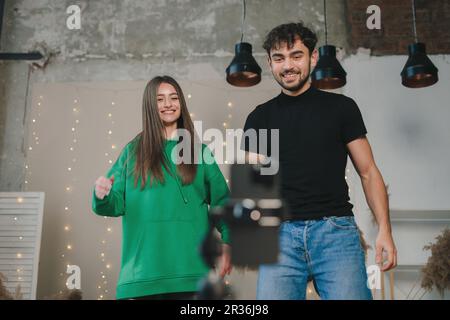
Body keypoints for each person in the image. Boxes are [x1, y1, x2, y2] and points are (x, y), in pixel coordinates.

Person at [241, 22, 397, 300]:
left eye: (296, 55)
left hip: (335, 233)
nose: (287, 65)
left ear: (313, 57)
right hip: (280, 238)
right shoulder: (258, 117)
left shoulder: (341, 108)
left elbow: (368, 172)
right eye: (279, 58)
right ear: (269, 63)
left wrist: (384, 230)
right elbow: (254, 187)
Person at [92, 76, 232, 300]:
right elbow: (113, 204)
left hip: (193, 276)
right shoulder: (131, 152)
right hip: (141, 279)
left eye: (174, 97)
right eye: (160, 99)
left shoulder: (200, 152)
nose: (168, 104)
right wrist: (102, 194)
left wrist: (228, 243)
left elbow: (223, 203)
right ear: (150, 105)